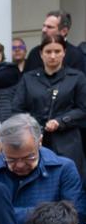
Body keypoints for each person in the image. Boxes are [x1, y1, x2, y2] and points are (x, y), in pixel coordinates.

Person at [0, 114, 86, 224]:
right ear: (1, 147)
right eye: (11, 159)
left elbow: (74, 217)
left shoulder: (63, 168)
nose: (20, 165)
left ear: (40, 141)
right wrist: (43, 212)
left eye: (29, 157)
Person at [12, 39, 86, 177]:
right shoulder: (28, 78)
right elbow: (17, 109)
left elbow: (83, 109)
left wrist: (60, 121)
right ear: (41, 54)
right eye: (48, 52)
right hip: (35, 141)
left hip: (67, 142)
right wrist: (32, 125)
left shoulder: (76, 77)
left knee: (70, 181)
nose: (53, 56)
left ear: (64, 53)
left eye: (57, 51)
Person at [21, 10, 86, 74]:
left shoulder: (76, 56)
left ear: (64, 31)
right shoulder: (34, 53)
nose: (43, 30)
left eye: (49, 27)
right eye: (44, 26)